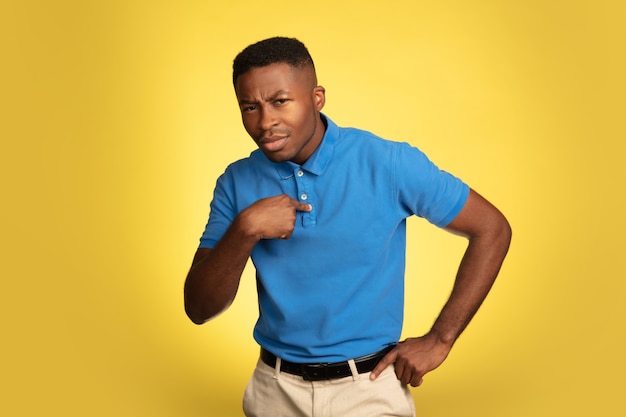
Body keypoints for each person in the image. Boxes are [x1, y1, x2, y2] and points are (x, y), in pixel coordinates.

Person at [184, 36, 511, 417]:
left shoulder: (387, 162)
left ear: (317, 97)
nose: (265, 121)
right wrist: (245, 229)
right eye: (249, 107)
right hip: (274, 390)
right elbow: (199, 308)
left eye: (280, 101)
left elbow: (492, 228)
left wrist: (441, 339)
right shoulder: (236, 182)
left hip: (368, 389)